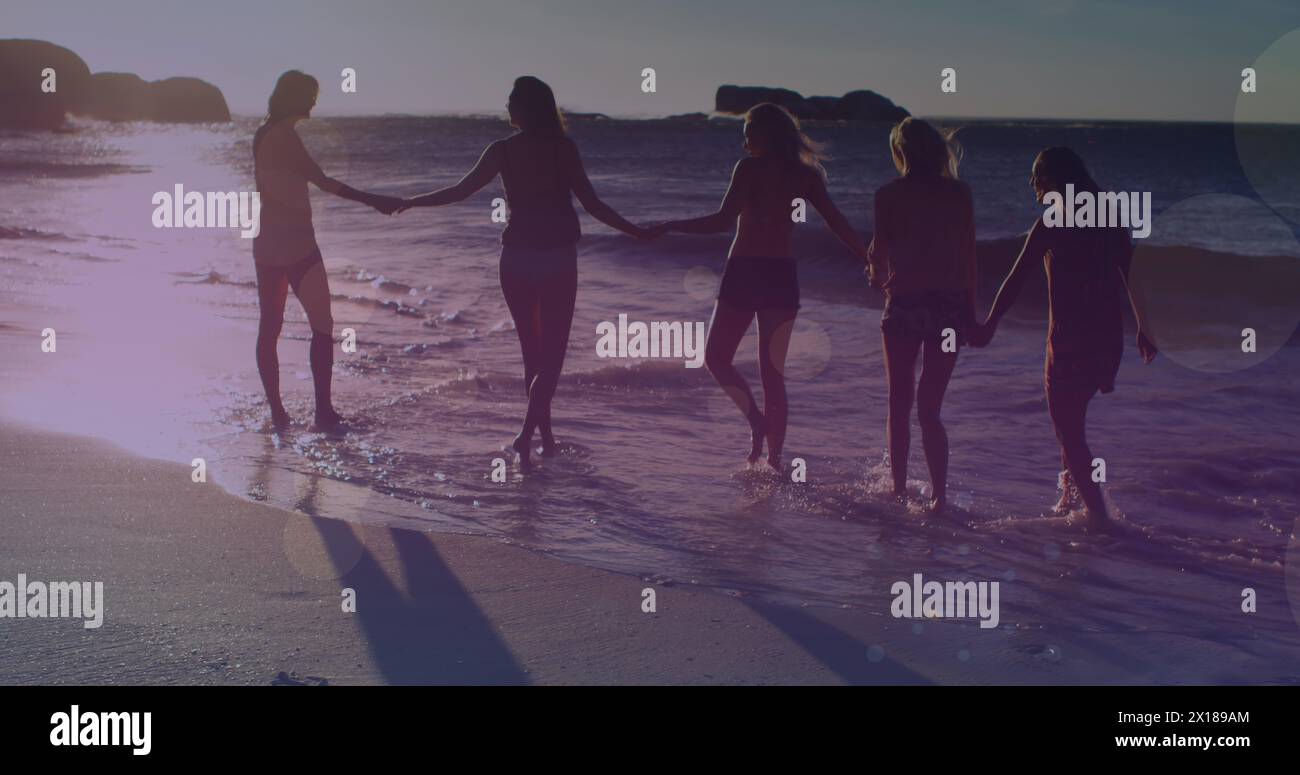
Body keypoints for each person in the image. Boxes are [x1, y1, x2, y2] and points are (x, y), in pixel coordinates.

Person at [400, 76, 650, 465]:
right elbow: (593, 204)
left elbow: (459, 191)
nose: (507, 108)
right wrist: (638, 231)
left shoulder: (503, 151)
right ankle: (527, 434)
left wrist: (411, 201)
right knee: (551, 359)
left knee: (532, 356)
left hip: (516, 259)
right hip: (556, 259)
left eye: (512, 101)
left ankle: (542, 436)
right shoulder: (562, 149)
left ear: (526, 109)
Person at [649, 103, 869, 470]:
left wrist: (670, 224)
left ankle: (760, 430)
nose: (746, 138)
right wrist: (867, 256)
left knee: (719, 359)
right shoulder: (806, 175)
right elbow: (838, 223)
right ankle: (773, 458)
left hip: (747, 270)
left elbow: (721, 222)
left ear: (768, 133)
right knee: (770, 372)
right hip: (780, 274)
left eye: (750, 129)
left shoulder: (749, 169)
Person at [969, 146, 1157, 531]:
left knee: (1068, 430)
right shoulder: (1109, 221)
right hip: (1106, 340)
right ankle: (1069, 497)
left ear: (1053, 181)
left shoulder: (1051, 224)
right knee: (1071, 421)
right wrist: (1144, 326)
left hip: (1068, 340)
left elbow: (1015, 279)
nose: (1032, 185)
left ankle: (1098, 519)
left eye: (1036, 177)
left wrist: (989, 323)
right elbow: (1132, 272)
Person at [253, 70, 402, 431]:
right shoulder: (284, 137)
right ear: (294, 97)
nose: (314, 102)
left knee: (270, 326)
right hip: (296, 245)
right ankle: (322, 412)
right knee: (321, 325)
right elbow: (323, 181)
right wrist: (374, 200)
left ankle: (279, 413)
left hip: (268, 244)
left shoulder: (264, 133)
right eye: (309, 95)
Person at [867, 118, 976, 513]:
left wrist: (875, 273)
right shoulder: (959, 193)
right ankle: (939, 496)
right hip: (948, 308)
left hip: (906, 304)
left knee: (899, 401)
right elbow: (968, 258)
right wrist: (972, 313)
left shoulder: (888, 195)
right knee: (930, 408)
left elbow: (879, 252)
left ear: (900, 152)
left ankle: (897, 488)